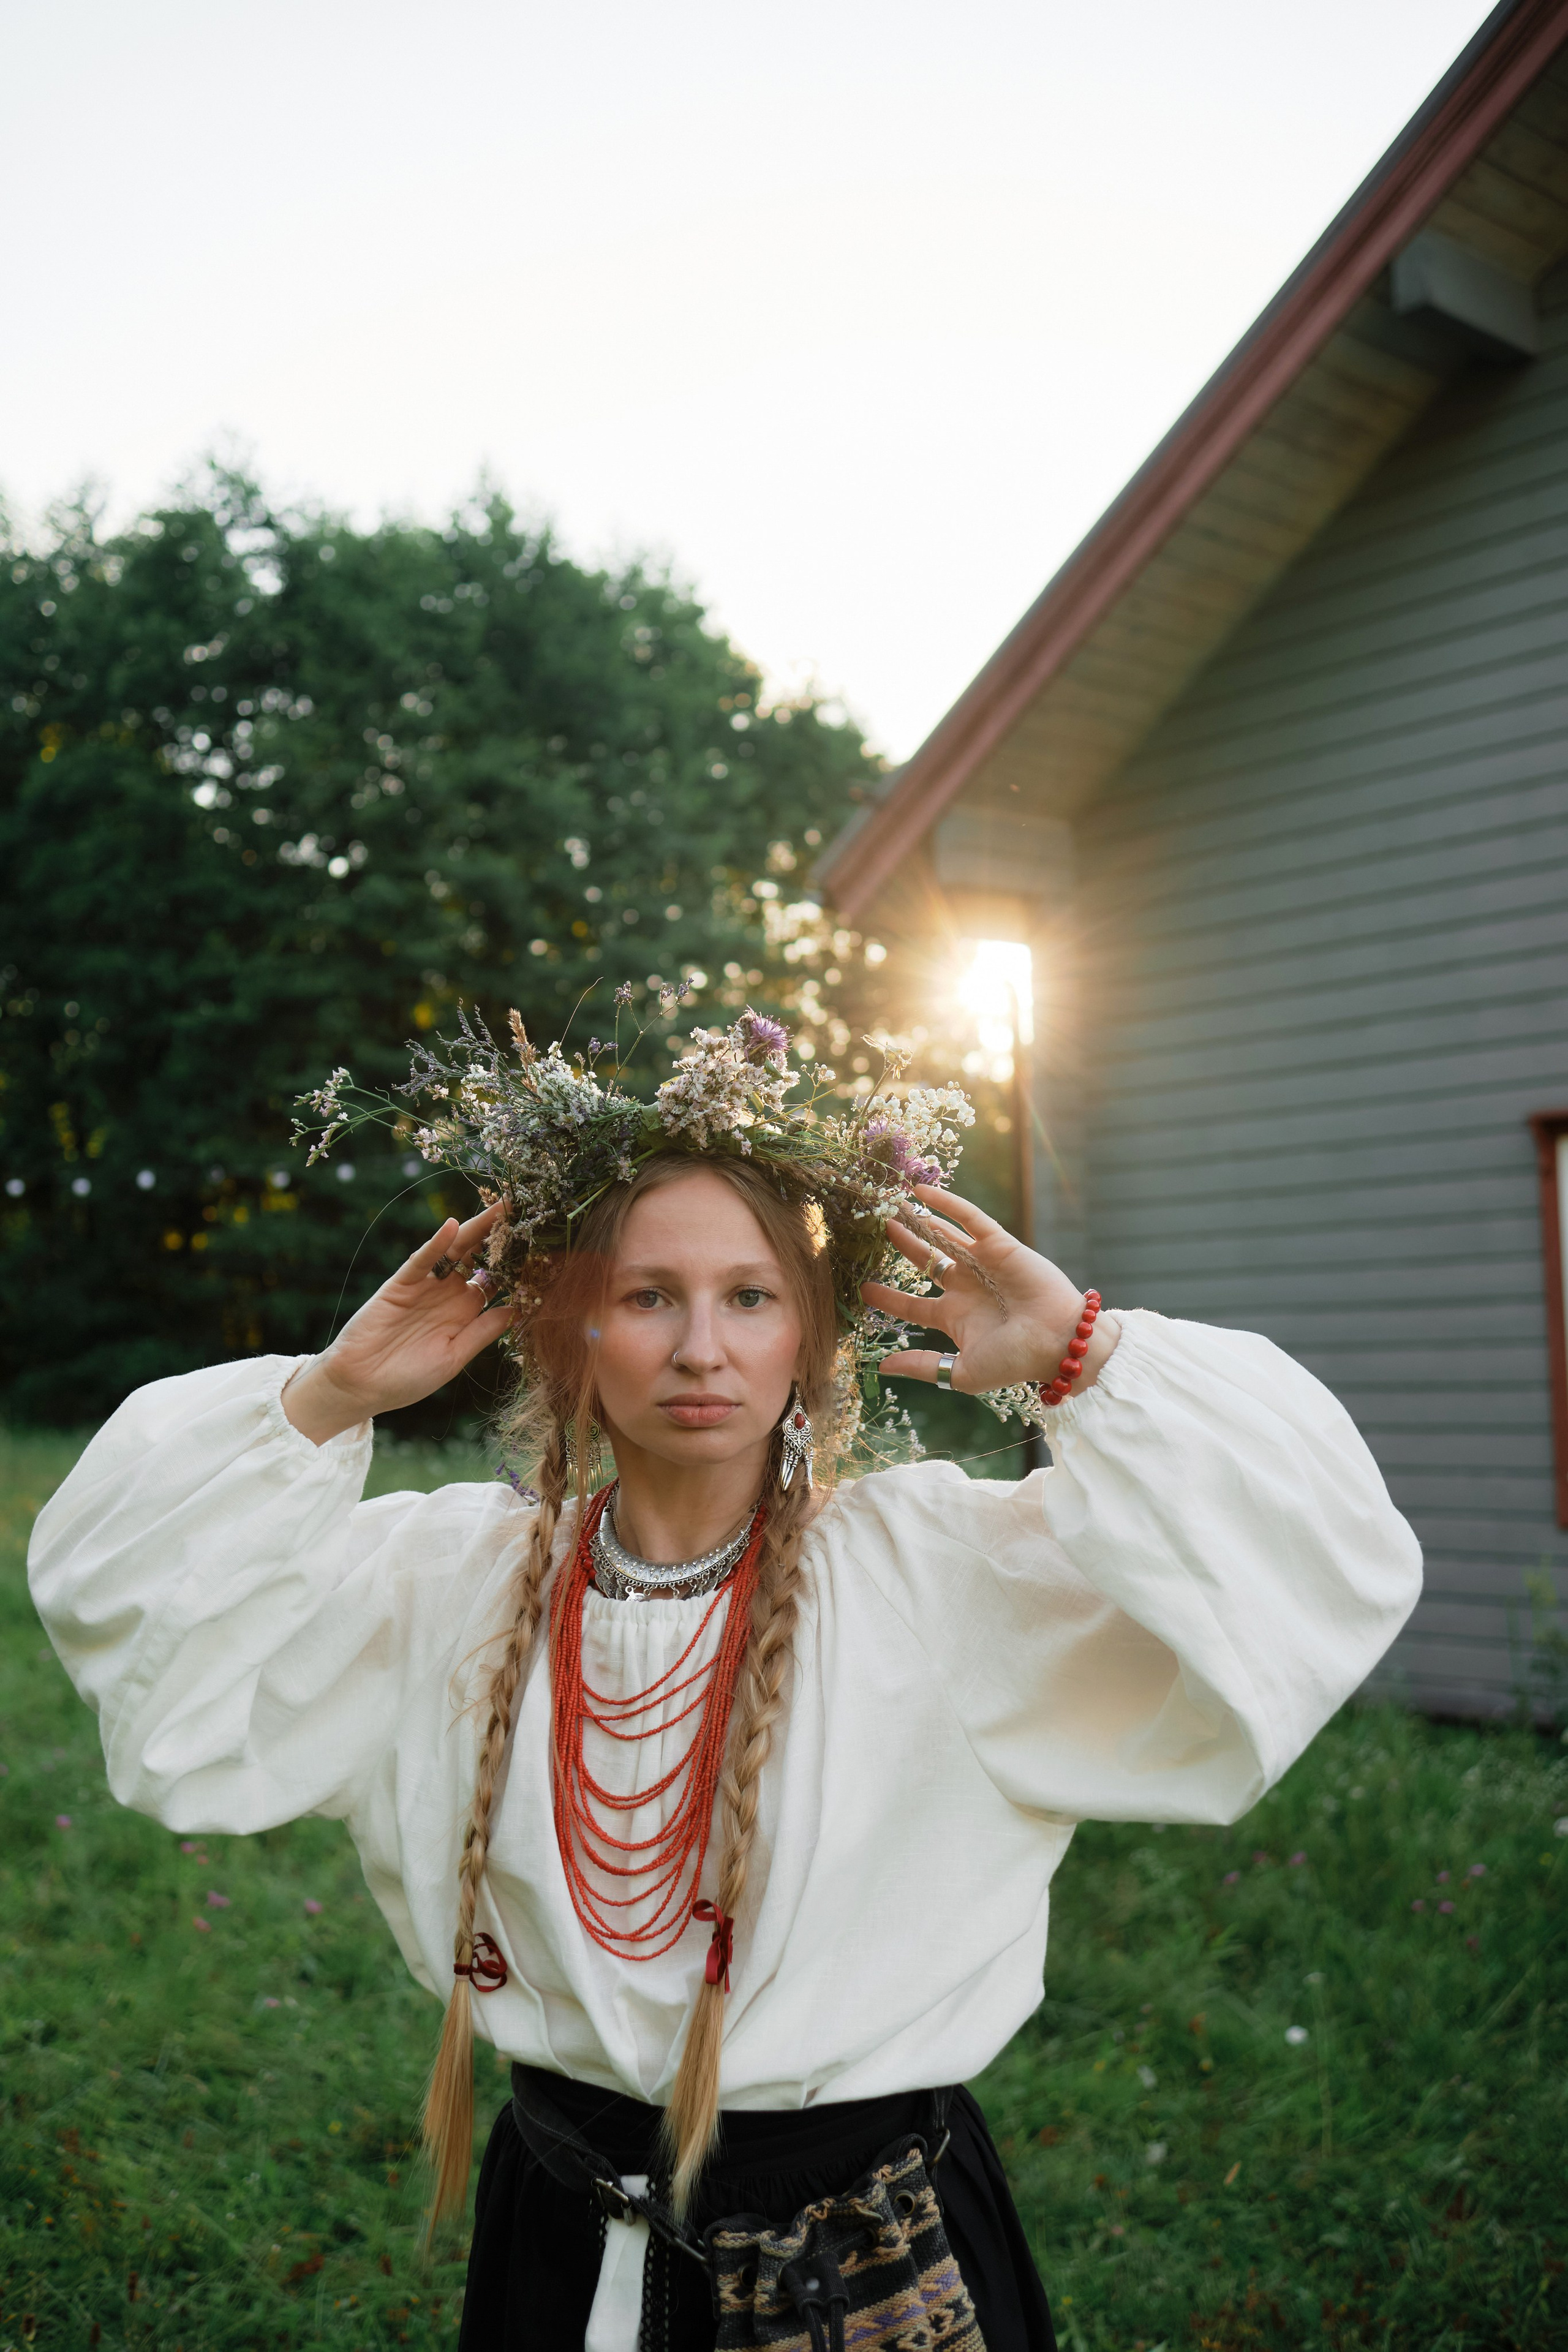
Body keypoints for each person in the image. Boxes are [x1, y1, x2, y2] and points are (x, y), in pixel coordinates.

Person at [29, 1008, 1422, 2352]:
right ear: (570, 1329)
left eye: (748, 1297)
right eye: (646, 1297)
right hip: (559, 2243)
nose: (701, 1348)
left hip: (865, 2248)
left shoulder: (935, 1577)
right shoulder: (443, 1583)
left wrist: (1086, 1359)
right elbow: (159, 1656)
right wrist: (328, 1394)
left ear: (808, 1338)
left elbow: (1307, 1585)